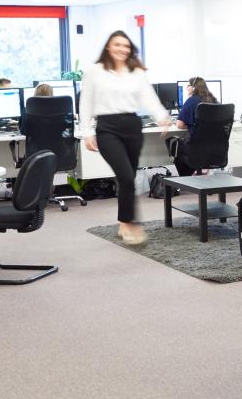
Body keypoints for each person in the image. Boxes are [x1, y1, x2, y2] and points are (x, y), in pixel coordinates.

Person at [80, 31, 169, 245]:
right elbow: (86, 101)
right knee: (127, 177)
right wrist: (87, 131)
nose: (122, 49)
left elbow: (148, 96)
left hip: (131, 125)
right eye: (117, 44)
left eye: (126, 46)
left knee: (127, 178)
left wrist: (161, 116)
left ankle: (123, 224)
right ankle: (130, 222)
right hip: (107, 128)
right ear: (109, 47)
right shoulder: (95, 71)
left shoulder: (135, 71)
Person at [169, 77, 220, 176]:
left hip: (197, 149)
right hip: (215, 149)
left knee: (174, 145)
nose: (187, 88)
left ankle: (188, 179)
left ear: (193, 88)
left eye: (188, 85)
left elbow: (179, 125)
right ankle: (197, 173)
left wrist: (191, 124)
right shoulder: (214, 100)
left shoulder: (191, 101)